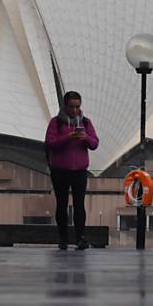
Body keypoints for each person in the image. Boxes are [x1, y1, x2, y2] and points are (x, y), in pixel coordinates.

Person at [45, 91, 99, 250]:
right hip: (60, 169)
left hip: (80, 170)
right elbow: (50, 143)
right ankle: (63, 238)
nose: (75, 110)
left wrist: (85, 138)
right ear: (65, 106)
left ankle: (80, 237)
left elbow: (95, 143)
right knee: (61, 204)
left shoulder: (86, 123)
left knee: (79, 204)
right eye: (72, 107)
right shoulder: (56, 123)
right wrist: (68, 137)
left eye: (77, 106)